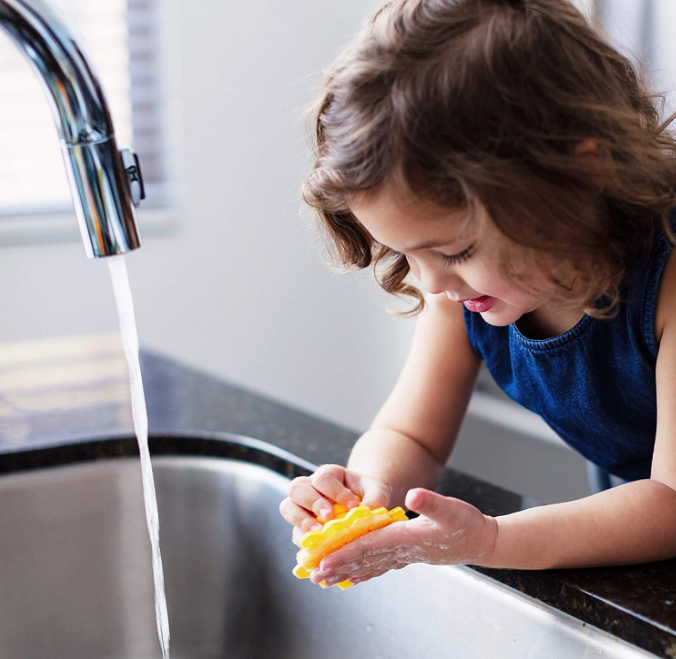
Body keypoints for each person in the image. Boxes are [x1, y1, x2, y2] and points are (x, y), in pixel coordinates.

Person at [278, 0, 676, 586]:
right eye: (406, 252)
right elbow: (409, 433)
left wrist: (491, 539)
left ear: (575, 180)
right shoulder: (459, 289)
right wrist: (364, 494)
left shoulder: (668, 280)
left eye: (455, 251)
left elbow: (669, 501)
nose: (431, 282)